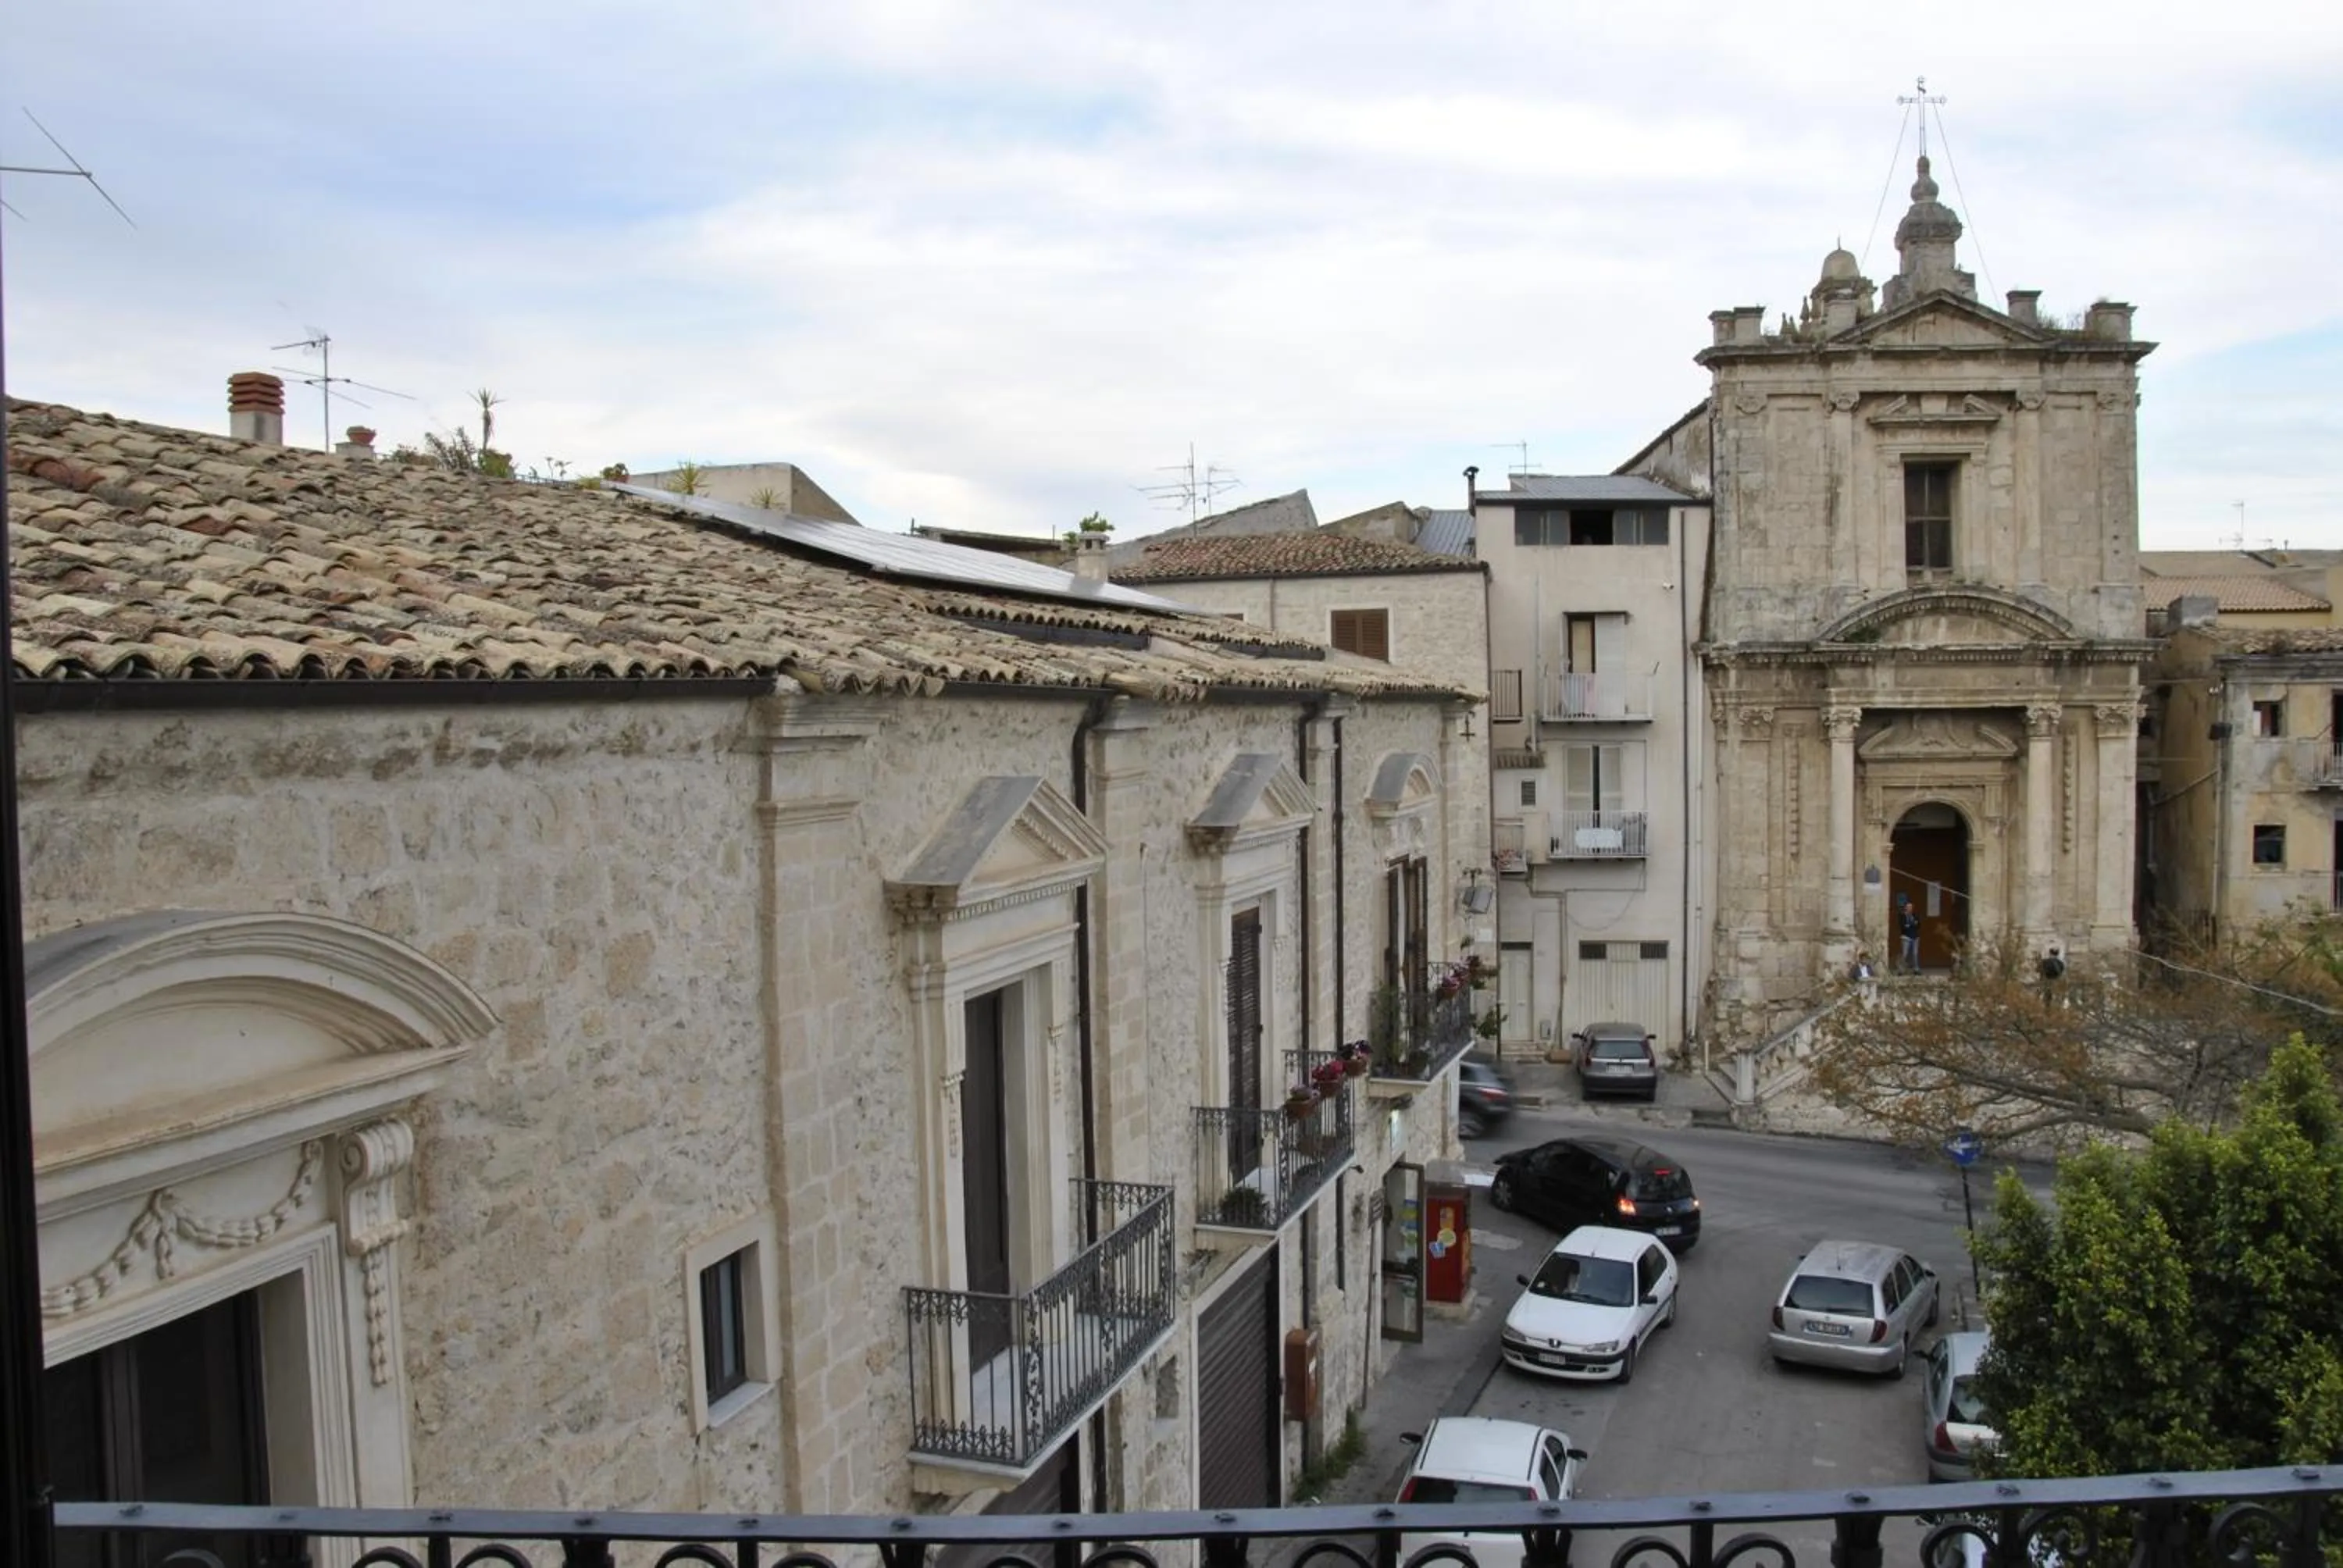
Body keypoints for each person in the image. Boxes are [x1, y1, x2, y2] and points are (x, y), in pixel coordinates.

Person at [1897, 895, 1921, 973]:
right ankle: (1901, 970)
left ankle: (1916, 969)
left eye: (1911, 907)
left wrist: (1912, 924)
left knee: (1915, 954)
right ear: (1905, 907)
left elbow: (1918, 925)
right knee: (1905, 954)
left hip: (1915, 936)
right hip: (1906, 937)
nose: (1910, 908)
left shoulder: (1915, 915)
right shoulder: (1902, 916)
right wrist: (1912, 924)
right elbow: (1903, 926)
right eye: (1908, 907)